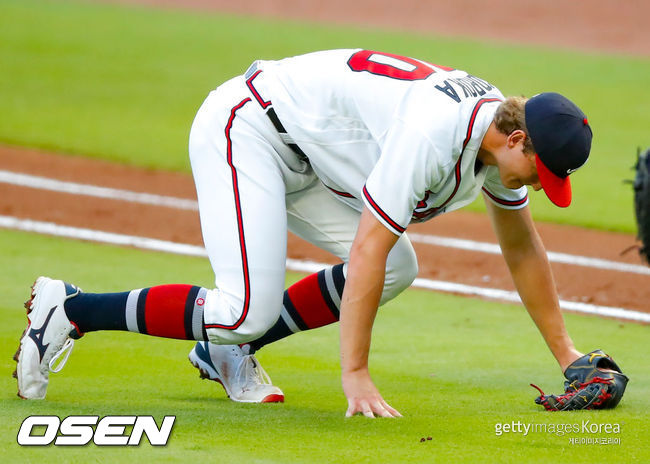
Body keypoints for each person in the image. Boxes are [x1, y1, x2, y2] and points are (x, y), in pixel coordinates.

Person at [15, 49, 593, 417]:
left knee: (400, 267)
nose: (541, 187)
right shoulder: (434, 136)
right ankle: (69, 309)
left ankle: (228, 355)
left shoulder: (494, 139)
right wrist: (356, 374)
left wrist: (568, 356)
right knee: (244, 309)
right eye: (542, 175)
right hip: (249, 130)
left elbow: (522, 248)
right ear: (518, 140)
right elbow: (368, 247)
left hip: (309, 158)